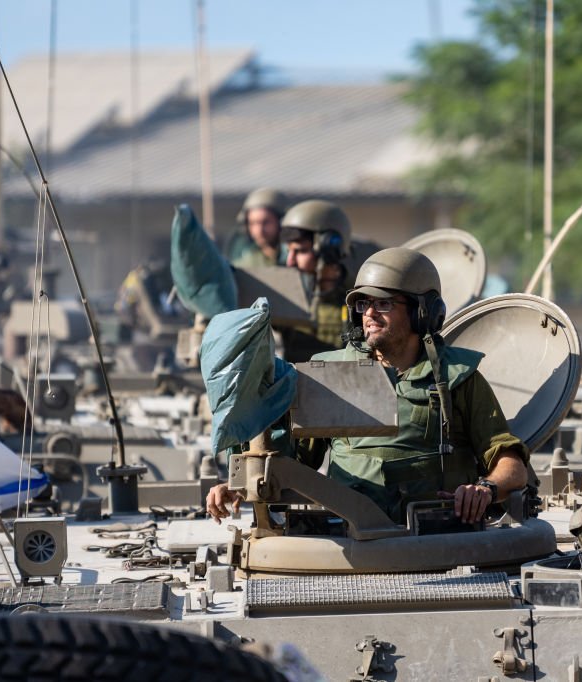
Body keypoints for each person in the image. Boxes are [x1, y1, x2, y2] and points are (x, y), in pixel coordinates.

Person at [207, 246, 532, 525]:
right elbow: (293, 466)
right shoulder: (330, 374)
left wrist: (485, 489)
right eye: (362, 304)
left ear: (423, 312)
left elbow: (512, 466)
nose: (370, 314)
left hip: (435, 536)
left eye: (385, 304)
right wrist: (239, 484)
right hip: (348, 533)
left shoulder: (457, 377)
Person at [278, 199, 353, 353]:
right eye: (288, 251)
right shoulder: (288, 296)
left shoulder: (358, 299)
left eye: (300, 251)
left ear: (330, 246)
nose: (290, 261)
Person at [227, 188, 288, 268]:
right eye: (253, 223)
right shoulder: (244, 265)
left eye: (266, 222)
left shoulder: (294, 259)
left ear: (281, 222)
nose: (259, 230)